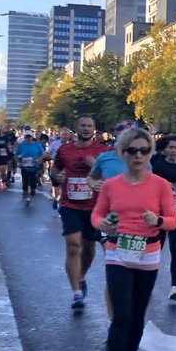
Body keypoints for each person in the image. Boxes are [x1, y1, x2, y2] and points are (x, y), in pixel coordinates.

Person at [92, 127, 176, 351]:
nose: (138, 156)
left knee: (138, 314)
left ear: (151, 152)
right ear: (123, 153)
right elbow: (97, 214)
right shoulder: (111, 185)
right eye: (132, 151)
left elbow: (173, 221)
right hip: (118, 252)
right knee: (122, 315)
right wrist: (102, 224)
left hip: (148, 253)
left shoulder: (160, 185)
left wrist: (159, 221)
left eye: (144, 150)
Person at [51, 115, 108, 312]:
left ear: (94, 129)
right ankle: (76, 293)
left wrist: (96, 166)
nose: (86, 129)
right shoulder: (65, 149)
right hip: (70, 204)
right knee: (73, 245)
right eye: (83, 126)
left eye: (89, 126)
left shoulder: (103, 151)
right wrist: (56, 177)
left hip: (94, 206)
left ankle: (81, 276)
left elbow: (111, 176)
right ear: (77, 128)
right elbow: (55, 169)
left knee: (89, 247)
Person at [152, 134, 176, 301]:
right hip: (157, 213)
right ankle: (148, 280)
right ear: (165, 149)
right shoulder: (156, 162)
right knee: (155, 249)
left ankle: (174, 286)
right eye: (171, 147)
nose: (174, 151)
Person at [17, 128, 47, 206]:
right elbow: (16, 154)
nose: (28, 138)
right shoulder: (21, 145)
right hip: (24, 166)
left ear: (32, 137)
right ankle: (28, 198)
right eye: (26, 137)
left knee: (33, 183)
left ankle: (32, 191)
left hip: (34, 166)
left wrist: (39, 160)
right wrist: (19, 161)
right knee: (25, 182)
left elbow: (43, 154)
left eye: (29, 136)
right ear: (24, 137)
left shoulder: (37, 145)